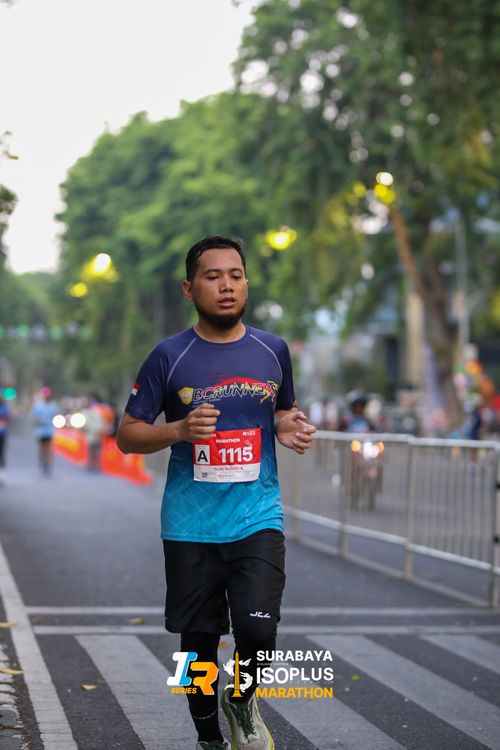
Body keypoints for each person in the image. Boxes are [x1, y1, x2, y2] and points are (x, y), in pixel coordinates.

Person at [117, 235, 316, 750]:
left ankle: (242, 699)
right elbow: (128, 435)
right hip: (191, 524)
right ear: (189, 289)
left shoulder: (272, 350)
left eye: (235, 275)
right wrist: (179, 430)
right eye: (213, 276)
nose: (226, 285)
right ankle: (208, 736)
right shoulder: (169, 356)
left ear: (246, 283)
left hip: (258, 515)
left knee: (258, 630)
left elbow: (280, 409)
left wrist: (286, 426)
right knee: (198, 645)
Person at [30, 387, 58, 474]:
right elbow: (33, 418)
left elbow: (56, 417)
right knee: (41, 447)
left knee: (49, 447)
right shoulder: (38, 406)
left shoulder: (53, 406)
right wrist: (38, 420)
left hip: (49, 430)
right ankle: (42, 459)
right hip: (40, 431)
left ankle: (48, 463)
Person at [0, 390, 9, 485]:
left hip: (2, 433)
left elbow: (6, 418)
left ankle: (2, 474)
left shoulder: (4, 407)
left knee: (1, 453)